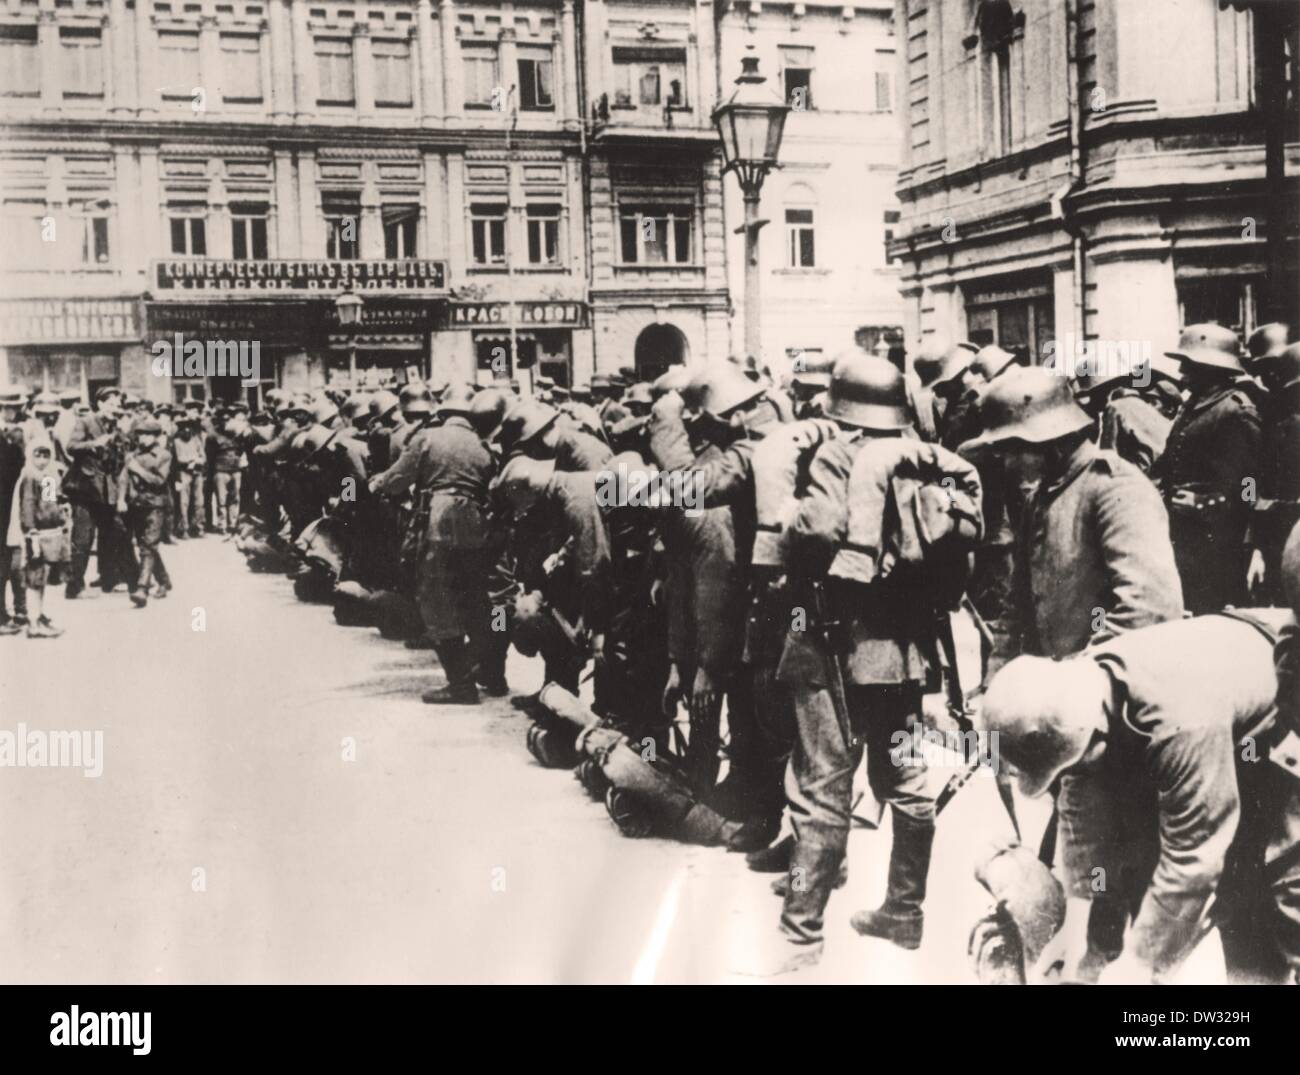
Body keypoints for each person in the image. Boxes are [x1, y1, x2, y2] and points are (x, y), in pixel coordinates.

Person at [981, 611, 1300, 984]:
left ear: (1094, 739)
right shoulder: (1084, 697)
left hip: (1285, 719)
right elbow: (1083, 816)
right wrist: (1077, 920)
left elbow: (1193, 858)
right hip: (1234, 738)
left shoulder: (1179, 718)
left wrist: (1140, 962)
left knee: (1279, 898)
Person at [371, 382, 495, 705]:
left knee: (437, 601)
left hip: (439, 523)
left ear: (442, 410)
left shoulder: (428, 438)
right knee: (475, 599)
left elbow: (398, 481)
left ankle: (460, 685)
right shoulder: (483, 444)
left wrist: (378, 483)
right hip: (477, 525)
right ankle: (490, 671)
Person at [1154, 323, 1261, 613]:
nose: (1182, 375)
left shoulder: (1236, 411)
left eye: (1188, 366)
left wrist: (1203, 502)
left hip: (1220, 547)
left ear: (1211, 367)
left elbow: (1250, 487)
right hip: (1184, 540)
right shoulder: (1191, 409)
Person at [65, 386, 136, 597]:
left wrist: (123, 436)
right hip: (84, 490)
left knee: (112, 533)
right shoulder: (86, 421)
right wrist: (95, 443)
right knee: (83, 538)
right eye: (111, 404)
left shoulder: (116, 427)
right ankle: (74, 586)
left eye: (118, 405)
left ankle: (109, 579)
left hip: (106, 490)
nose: (115, 409)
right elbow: (71, 446)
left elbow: (121, 457)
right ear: (100, 404)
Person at [12, 435, 67, 638]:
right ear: (30, 455)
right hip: (36, 534)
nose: (42, 460)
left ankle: (38, 616)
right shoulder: (29, 475)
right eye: (38, 455)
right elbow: (27, 505)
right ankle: (33, 622)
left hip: (50, 533)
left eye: (46, 455)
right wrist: (31, 530)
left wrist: (61, 515)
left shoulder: (49, 477)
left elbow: (51, 504)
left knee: (41, 578)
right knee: (34, 579)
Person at [117, 417, 173, 607]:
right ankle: (164, 581)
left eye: (148, 435)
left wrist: (138, 470)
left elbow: (159, 481)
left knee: (147, 546)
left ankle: (142, 589)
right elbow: (123, 478)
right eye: (140, 435)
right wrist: (120, 500)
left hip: (155, 505)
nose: (143, 439)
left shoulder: (164, 455)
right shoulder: (131, 455)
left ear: (156, 437)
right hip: (136, 505)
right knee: (147, 544)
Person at [0, 385, 29, 632]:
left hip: (16, 508)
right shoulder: (9, 437)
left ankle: (23, 612)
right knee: (8, 561)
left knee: (14, 561)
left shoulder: (17, 434)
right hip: (7, 508)